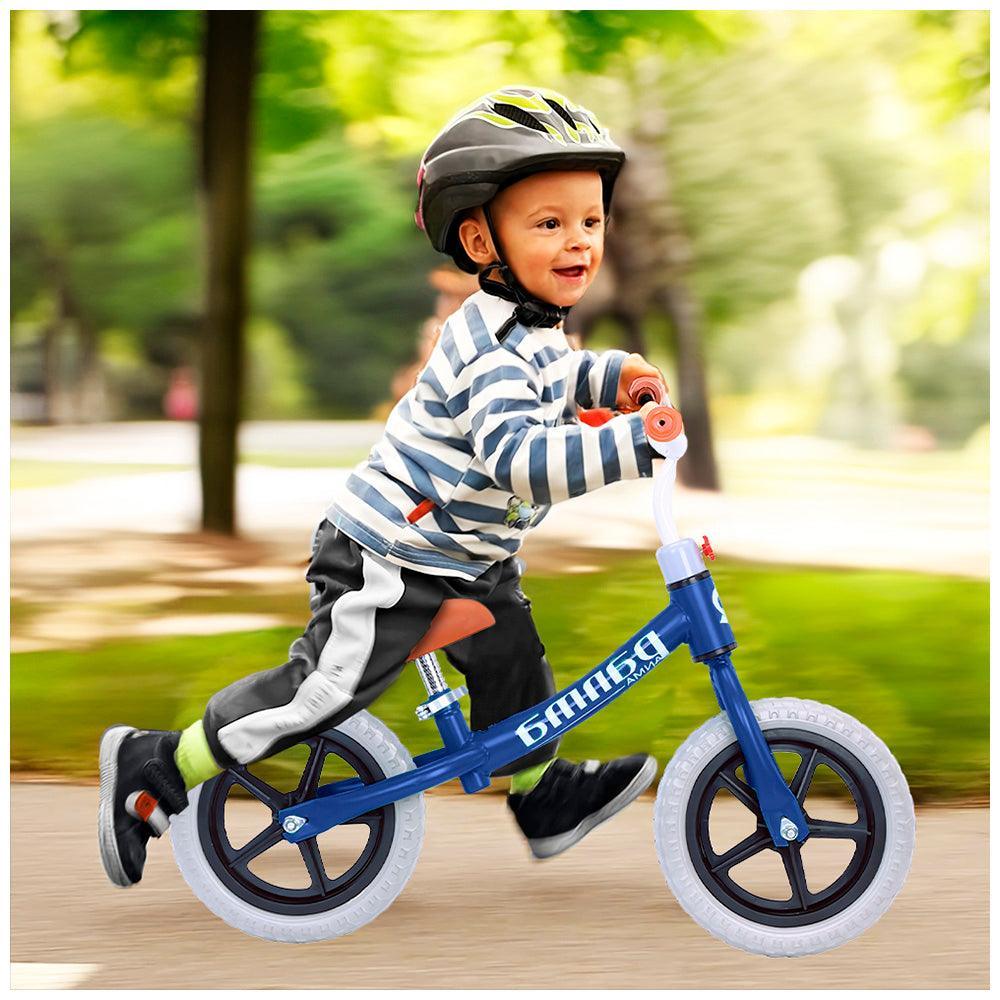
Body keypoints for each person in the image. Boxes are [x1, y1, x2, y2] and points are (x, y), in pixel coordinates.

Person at [98, 86, 666, 889]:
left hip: (462, 551)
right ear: (479, 237)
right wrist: (629, 445)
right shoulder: (489, 343)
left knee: (513, 657)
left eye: (590, 220)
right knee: (323, 690)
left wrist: (611, 377)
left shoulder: (532, 326)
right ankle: (157, 762)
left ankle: (542, 795)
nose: (578, 241)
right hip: (391, 554)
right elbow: (518, 455)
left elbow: (557, 379)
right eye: (549, 223)